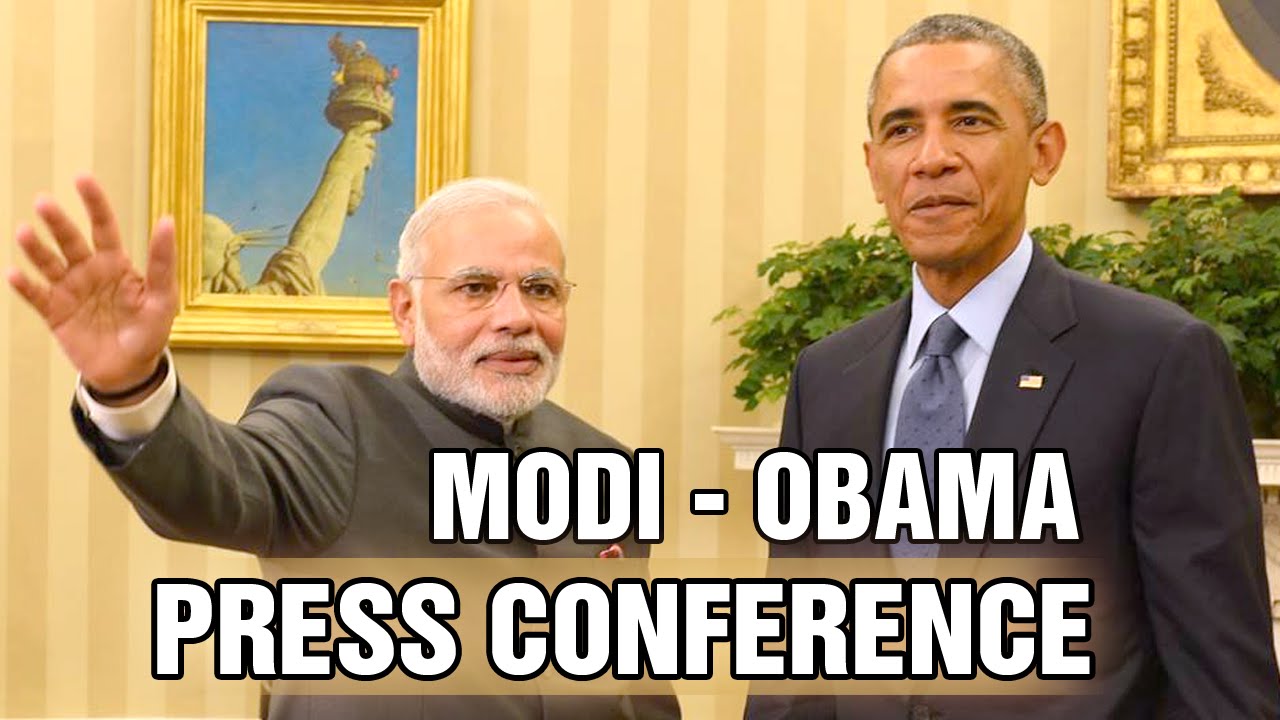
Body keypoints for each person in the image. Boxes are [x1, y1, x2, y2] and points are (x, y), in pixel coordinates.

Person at [746, 13, 1280, 720]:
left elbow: (1221, 684)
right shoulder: (827, 378)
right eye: (903, 129)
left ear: (1044, 151)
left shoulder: (1157, 360)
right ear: (874, 167)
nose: (932, 158)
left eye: (970, 121)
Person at [8, 175, 681, 720]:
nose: (516, 317)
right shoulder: (332, 420)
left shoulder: (605, 466)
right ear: (404, 310)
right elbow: (216, 484)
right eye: (476, 287)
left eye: (541, 289)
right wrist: (131, 389)